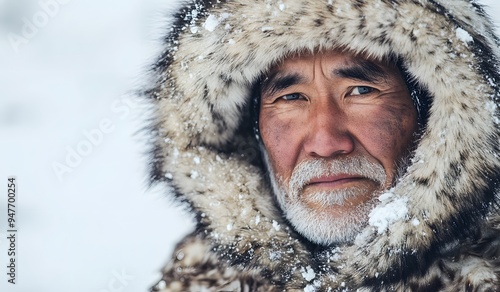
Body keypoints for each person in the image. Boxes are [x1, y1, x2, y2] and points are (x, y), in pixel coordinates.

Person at [145, 0, 500, 290]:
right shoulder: (200, 277)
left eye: (361, 91)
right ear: (251, 134)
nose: (327, 142)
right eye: (291, 98)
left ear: (438, 118)